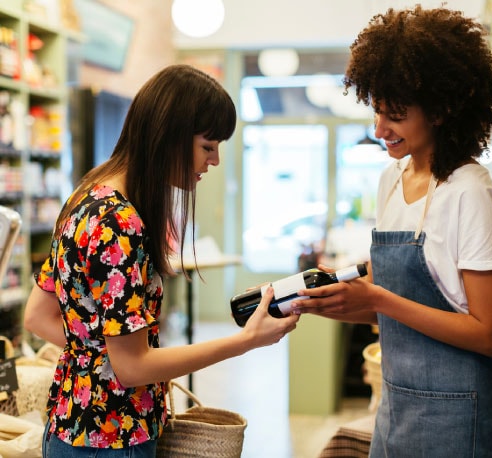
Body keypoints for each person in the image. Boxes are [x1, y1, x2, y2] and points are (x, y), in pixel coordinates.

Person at [23, 64, 299, 457]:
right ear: (169, 137)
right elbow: (133, 367)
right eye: (208, 146)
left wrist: (105, 362)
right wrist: (246, 341)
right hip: (114, 438)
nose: (215, 160)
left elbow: (38, 315)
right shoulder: (119, 223)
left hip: (69, 428)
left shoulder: (84, 198)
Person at [292, 6, 492, 457]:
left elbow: (488, 333)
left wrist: (375, 298)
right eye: (376, 112)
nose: (379, 130)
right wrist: (323, 302)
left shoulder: (468, 191)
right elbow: (393, 311)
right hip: (397, 405)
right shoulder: (390, 181)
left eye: (394, 115)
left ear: (441, 108)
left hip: (460, 414)